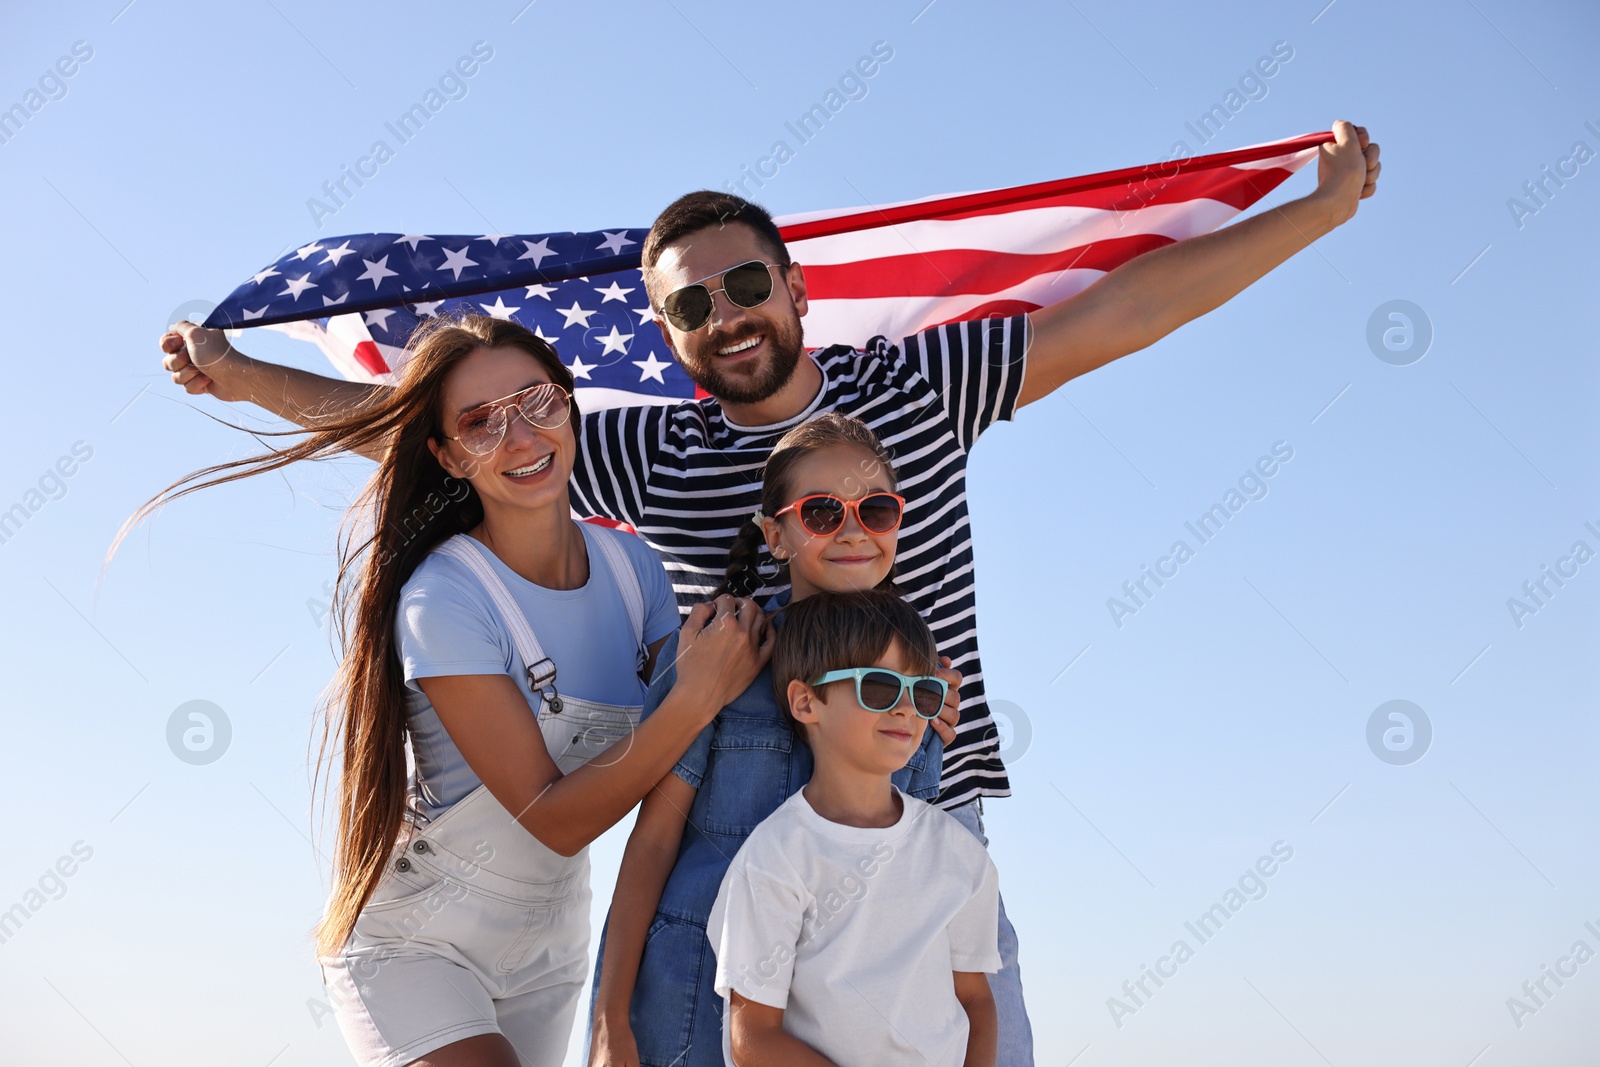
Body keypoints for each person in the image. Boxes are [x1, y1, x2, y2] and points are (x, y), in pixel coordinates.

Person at [159, 121, 1381, 1066]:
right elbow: (449, 445)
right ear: (666, 330)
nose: (724, 317)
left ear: (794, 289)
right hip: (729, 840)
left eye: (745, 287)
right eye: (689, 306)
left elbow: (1123, 312)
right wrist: (245, 378)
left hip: (924, 819)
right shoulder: (659, 453)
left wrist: (1316, 213)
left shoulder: (914, 386)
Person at [139, 315, 773, 1067]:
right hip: (416, 944)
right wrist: (694, 697)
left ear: (568, 406)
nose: (521, 438)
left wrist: (904, 689)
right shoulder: (445, 597)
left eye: (537, 401)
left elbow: (687, 768)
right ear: (445, 454)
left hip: (551, 949)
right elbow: (556, 816)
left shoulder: (636, 572)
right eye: (479, 423)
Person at [589, 412, 963, 1066]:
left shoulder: (921, 695)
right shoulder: (717, 659)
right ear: (775, 534)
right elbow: (651, 844)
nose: (853, 530)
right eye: (821, 512)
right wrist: (607, 1018)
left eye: (876, 509)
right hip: (690, 1009)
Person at [710, 588, 1001, 1067]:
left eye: (923, 692)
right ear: (806, 703)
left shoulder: (958, 853)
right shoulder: (777, 857)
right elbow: (752, 1039)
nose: (907, 709)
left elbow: (976, 999)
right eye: (882, 687)